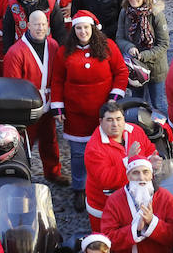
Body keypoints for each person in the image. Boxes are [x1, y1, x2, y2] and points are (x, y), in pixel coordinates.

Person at [53, 12, 129, 211]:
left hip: (103, 113)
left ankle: (108, 184)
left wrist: (113, 100)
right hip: (76, 112)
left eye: (86, 27)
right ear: (74, 30)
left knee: (107, 150)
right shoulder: (64, 51)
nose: (83, 31)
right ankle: (80, 188)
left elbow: (121, 71)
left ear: (93, 28)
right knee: (78, 154)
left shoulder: (108, 47)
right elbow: (58, 80)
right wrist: (58, 107)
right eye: (79, 28)